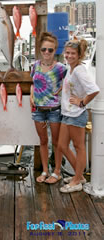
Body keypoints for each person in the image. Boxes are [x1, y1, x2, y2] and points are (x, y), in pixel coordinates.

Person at [58, 39, 99, 193]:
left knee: (79, 147)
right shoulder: (71, 68)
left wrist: (82, 102)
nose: (69, 56)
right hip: (67, 113)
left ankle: (77, 181)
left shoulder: (80, 70)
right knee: (62, 146)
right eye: (67, 52)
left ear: (79, 55)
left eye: (73, 53)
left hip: (76, 114)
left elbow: (94, 90)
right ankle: (79, 176)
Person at [30, 32, 67, 183]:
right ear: (40, 49)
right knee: (43, 141)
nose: (47, 52)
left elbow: (73, 80)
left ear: (55, 51)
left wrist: (64, 87)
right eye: (44, 49)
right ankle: (45, 171)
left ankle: (57, 172)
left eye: (50, 50)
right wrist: (32, 95)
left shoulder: (60, 68)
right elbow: (33, 83)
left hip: (54, 111)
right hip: (38, 111)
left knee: (57, 142)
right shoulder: (35, 66)